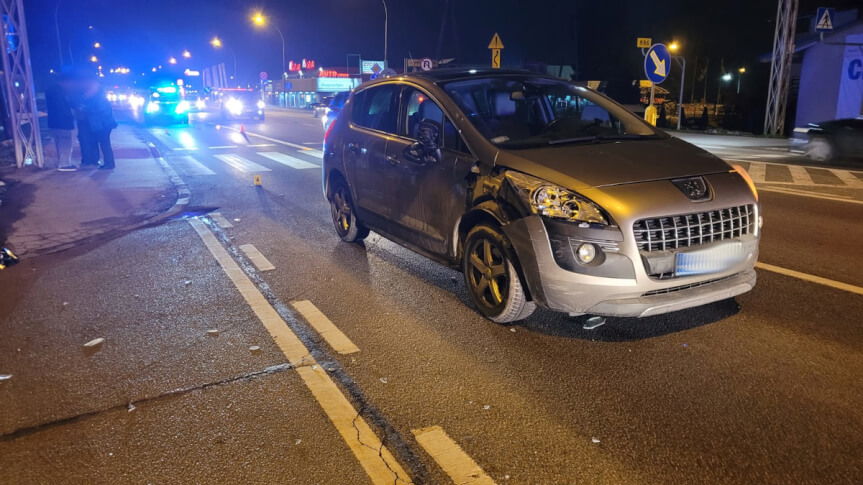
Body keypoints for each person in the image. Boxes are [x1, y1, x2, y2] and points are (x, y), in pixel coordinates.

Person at [79, 80, 117, 170]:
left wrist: (85, 108)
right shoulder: (99, 97)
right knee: (104, 144)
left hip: (102, 125)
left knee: (105, 144)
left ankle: (109, 163)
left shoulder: (98, 98)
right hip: (102, 124)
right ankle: (107, 163)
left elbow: (98, 110)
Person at [45, 74, 76, 171]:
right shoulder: (60, 92)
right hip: (63, 122)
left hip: (54, 122)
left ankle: (61, 162)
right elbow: (63, 108)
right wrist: (71, 116)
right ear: (64, 82)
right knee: (65, 143)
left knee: (59, 142)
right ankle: (64, 164)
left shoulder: (50, 90)